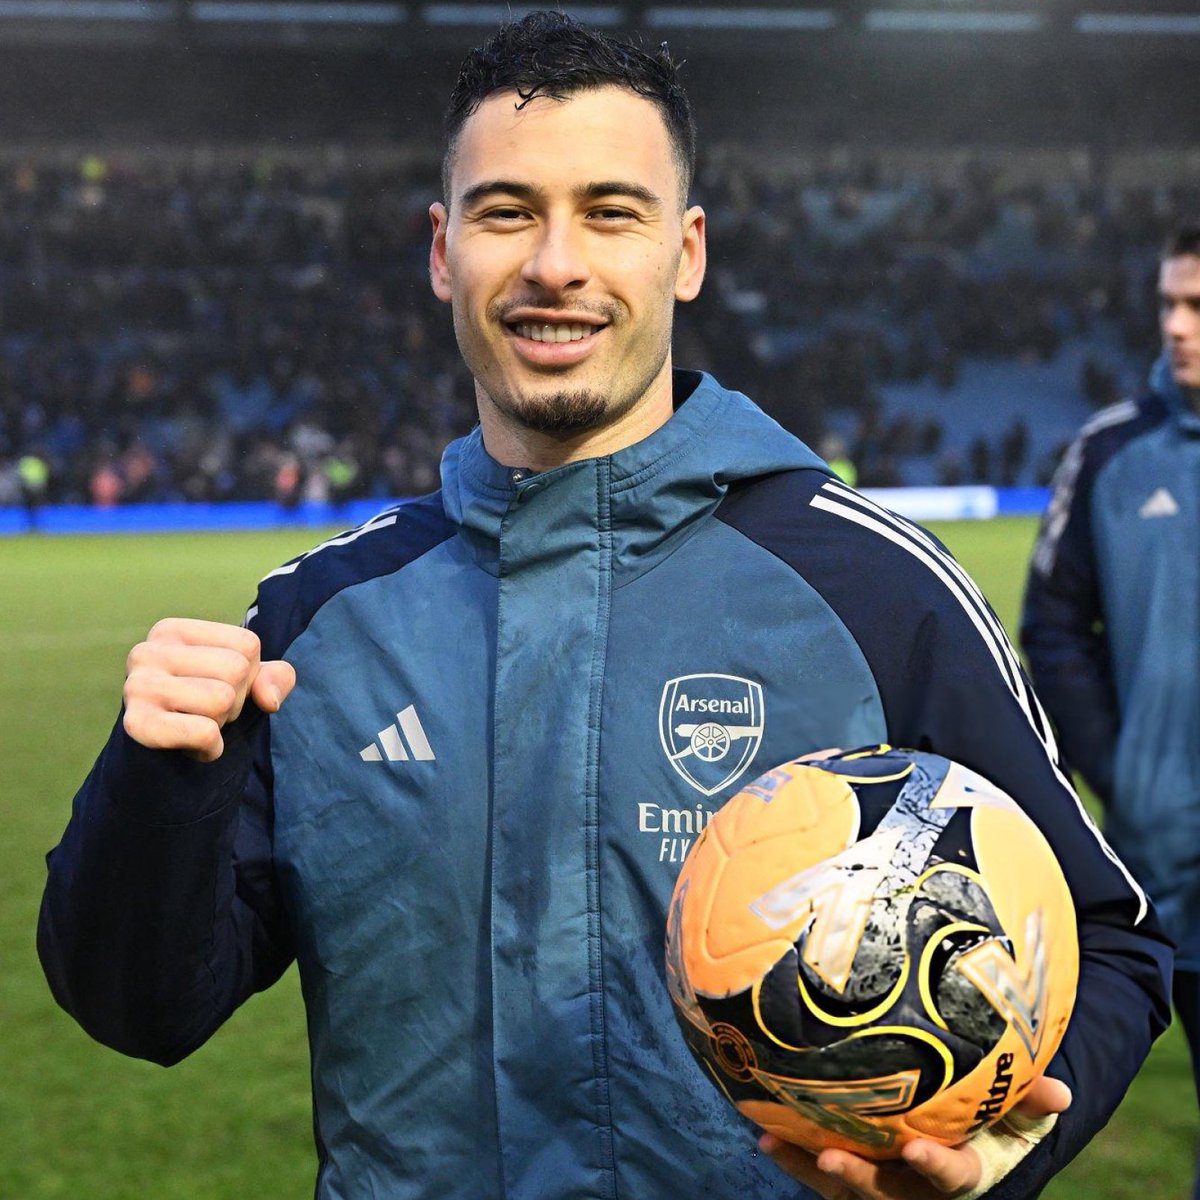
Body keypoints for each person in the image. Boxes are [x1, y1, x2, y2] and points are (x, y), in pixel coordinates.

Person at [39, 13, 1169, 1200]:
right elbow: (141, 1009)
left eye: (610, 212)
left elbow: (1111, 940)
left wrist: (991, 1158)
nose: (554, 264)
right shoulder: (323, 619)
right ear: (442, 251)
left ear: (685, 253)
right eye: (506, 211)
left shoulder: (877, 587)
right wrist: (156, 781)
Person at [1022, 224, 1200, 1199]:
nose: (1177, 326)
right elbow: (1051, 627)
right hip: (1170, 853)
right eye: (1170, 303)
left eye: (1198, 307)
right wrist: (1123, 768)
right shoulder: (1111, 453)